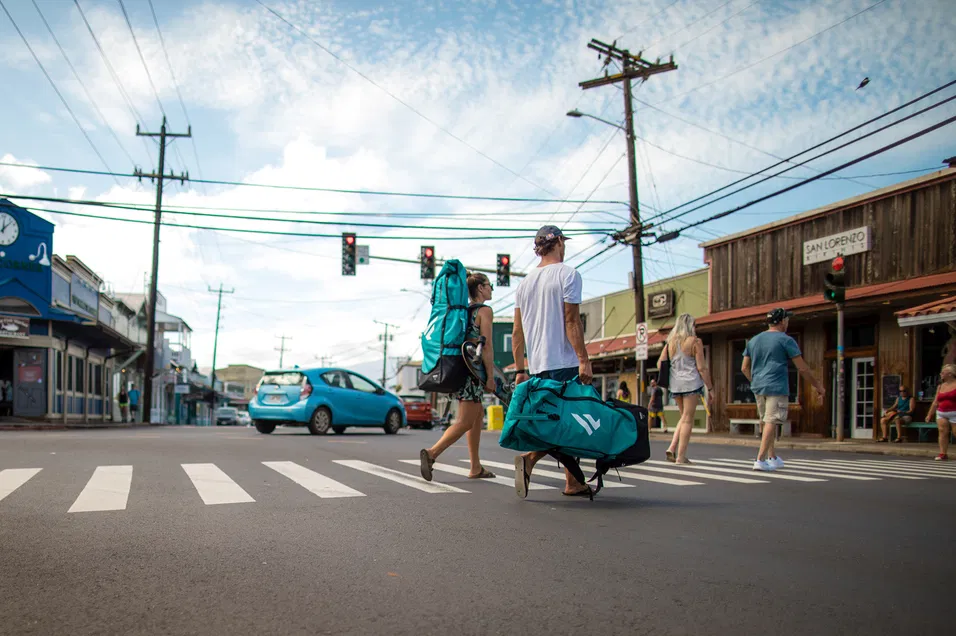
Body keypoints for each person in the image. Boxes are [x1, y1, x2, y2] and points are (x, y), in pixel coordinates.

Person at [511, 225, 593, 499]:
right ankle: (531, 459)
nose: (564, 246)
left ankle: (573, 481)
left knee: (556, 420)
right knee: (569, 422)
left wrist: (520, 369)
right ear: (558, 241)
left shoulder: (524, 283)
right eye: (563, 242)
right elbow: (572, 321)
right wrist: (583, 359)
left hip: (538, 367)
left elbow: (517, 332)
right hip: (564, 362)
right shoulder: (568, 274)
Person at [419, 272, 497, 481]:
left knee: (477, 416)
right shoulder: (484, 311)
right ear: (480, 288)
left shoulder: (464, 311)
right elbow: (487, 346)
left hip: (460, 370)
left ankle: (475, 467)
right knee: (464, 421)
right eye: (489, 285)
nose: (491, 289)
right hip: (473, 373)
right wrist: (490, 377)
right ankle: (432, 453)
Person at [742, 308, 825, 472]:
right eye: (787, 319)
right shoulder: (786, 340)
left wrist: (755, 380)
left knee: (766, 421)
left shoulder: (754, 340)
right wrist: (818, 386)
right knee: (771, 421)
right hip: (776, 385)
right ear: (782, 321)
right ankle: (760, 459)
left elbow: (744, 368)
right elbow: (802, 368)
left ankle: (772, 457)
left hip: (758, 386)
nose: (788, 322)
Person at [661, 313, 712, 465]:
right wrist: (710, 388)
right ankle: (681, 457)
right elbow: (702, 368)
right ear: (690, 326)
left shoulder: (670, 343)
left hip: (675, 385)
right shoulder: (695, 341)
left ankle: (672, 447)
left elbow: (660, 363)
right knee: (688, 419)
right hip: (691, 384)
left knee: (683, 417)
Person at [924, 364, 956, 461]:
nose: (941, 374)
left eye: (943, 372)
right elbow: (935, 402)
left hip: (954, 412)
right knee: (942, 432)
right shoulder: (940, 386)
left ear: (950, 374)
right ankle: (943, 453)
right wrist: (929, 414)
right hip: (941, 412)